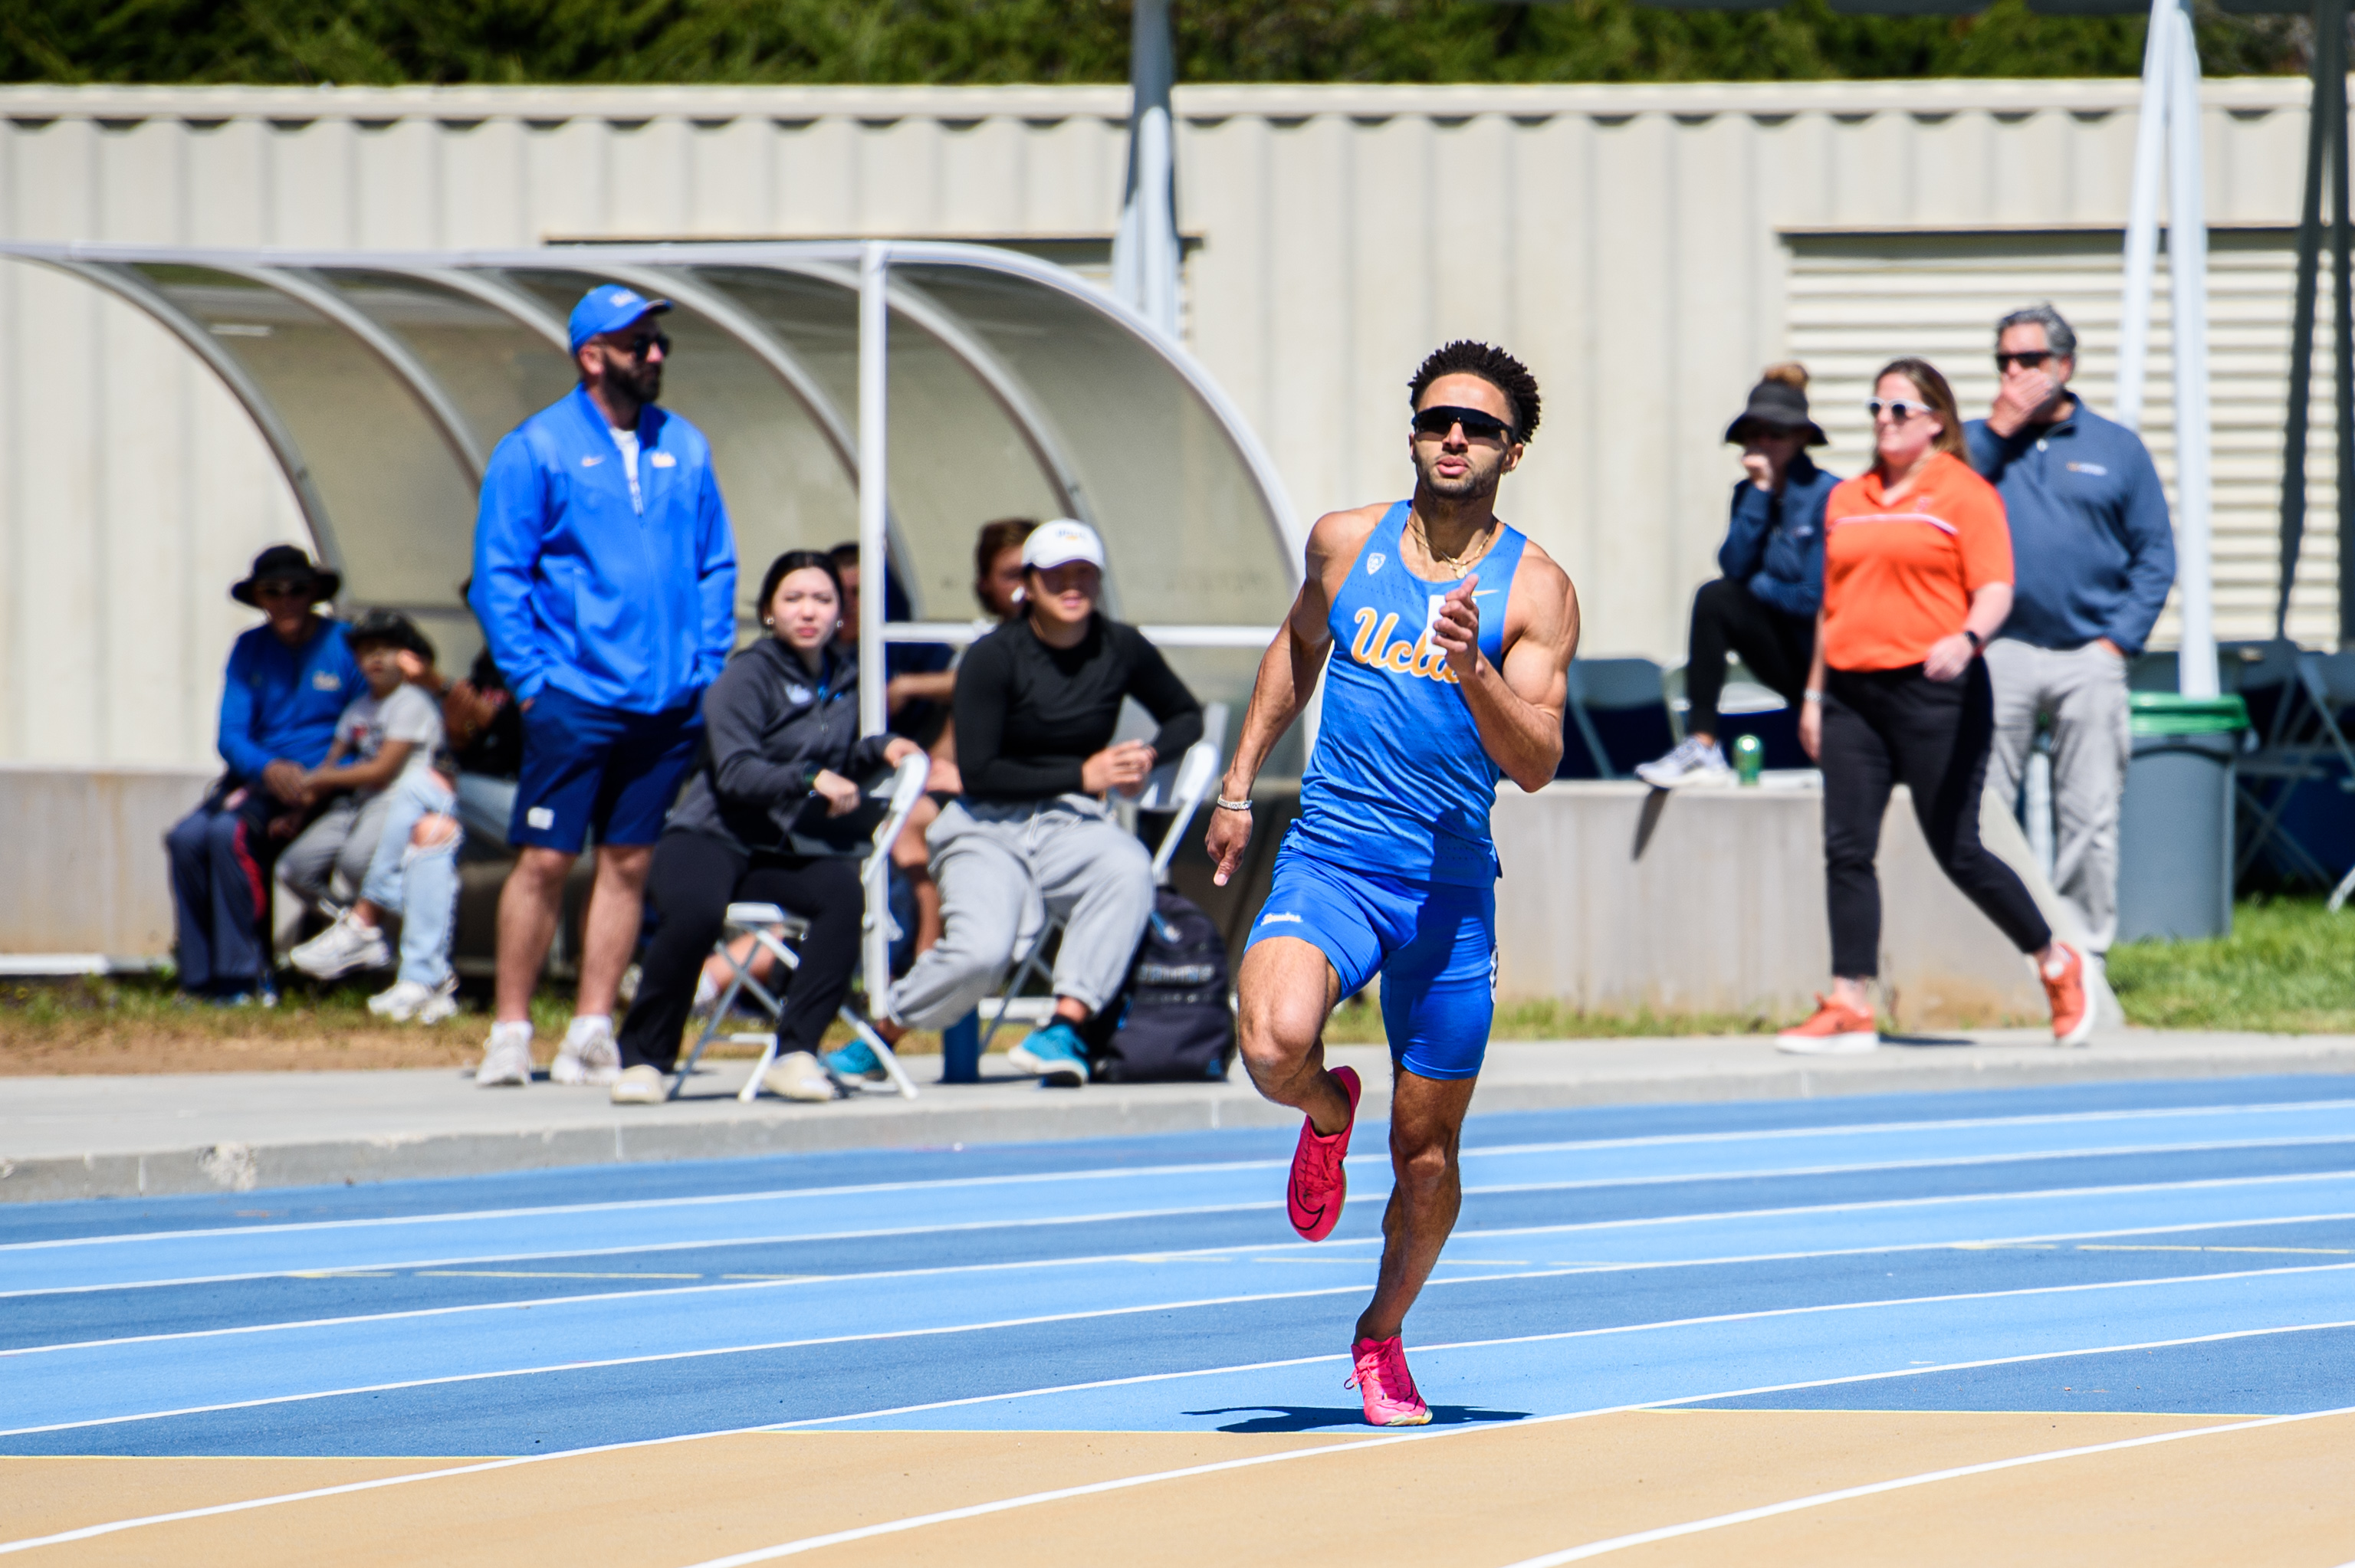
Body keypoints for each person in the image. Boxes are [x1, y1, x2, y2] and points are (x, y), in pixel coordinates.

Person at [1205, 340, 1580, 1427]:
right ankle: (1328, 1110)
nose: (1453, 437)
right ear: (1413, 431)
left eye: (1478, 426)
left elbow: (1540, 761)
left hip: (1450, 886)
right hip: (1333, 854)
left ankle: (1381, 1336)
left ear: (1514, 450)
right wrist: (1239, 785)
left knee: (1426, 1157)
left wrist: (1470, 670)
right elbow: (1297, 645)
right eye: (1436, 420)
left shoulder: (1537, 590)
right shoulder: (1341, 542)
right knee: (1272, 1041)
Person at [468, 284, 738, 1089]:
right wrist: (529, 682)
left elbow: (716, 562)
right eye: (637, 343)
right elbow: (499, 575)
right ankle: (511, 1031)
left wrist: (706, 666)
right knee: (546, 860)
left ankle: (591, 1028)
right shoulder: (536, 448)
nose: (655, 355)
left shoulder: (683, 446)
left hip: (666, 702)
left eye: (658, 342)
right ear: (593, 357)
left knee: (627, 863)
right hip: (572, 698)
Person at [1780, 357, 2092, 1056]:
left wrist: (1970, 637)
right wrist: (1813, 693)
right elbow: (1833, 606)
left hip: (1936, 688)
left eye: (1899, 410)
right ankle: (1851, 1000)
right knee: (1847, 849)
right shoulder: (1847, 498)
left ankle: (2054, 960)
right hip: (1853, 696)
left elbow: (1996, 589)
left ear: (1935, 422)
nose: (1884, 422)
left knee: (1958, 848)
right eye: (1876, 409)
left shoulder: (1965, 493)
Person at [870, 519, 1203, 1086]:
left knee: (1126, 868)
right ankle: (884, 1035)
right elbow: (978, 773)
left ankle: (1064, 1025)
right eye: (1056, 575)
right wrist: (1085, 770)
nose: (1072, 586)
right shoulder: (992, 656)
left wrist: (1147, 755)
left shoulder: (1121, 646)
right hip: (983, 825)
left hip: (1071, 824)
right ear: (1028, 583)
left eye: (1084, 574)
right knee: (982, 952)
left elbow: (1186, 716)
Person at [610, 552, 928, 1105]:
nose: (809, 612)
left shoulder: (846, 677)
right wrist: (810, 779)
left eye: (823, 600)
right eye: (794, 599)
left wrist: (880, 749)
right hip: (709, 836)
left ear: (840, 612)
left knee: (841, 896)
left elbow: (835, 762)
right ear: (769, 612)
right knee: (697, 913)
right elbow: (736, 771)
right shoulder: (746, 675)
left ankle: (796, 1051)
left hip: (780, 848)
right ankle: (645, 1060)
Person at [1967, 303, 2176, 958]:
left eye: (2028, 360)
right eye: (2003, 361)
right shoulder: (1974, 444)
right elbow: (1936, 506)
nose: (2014, 373)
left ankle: (2082, 955)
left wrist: (2117, 642)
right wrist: (1998, 431)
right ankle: (1995, 955)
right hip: (1999, 652)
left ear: (2064, 366)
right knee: (1984, 809)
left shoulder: (2116, 448)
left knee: (2088, 816)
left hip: (2090, 654)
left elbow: (2155, 555)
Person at [165, 546, 362, 1002]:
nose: (285, 600)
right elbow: (231, 735)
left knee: (228, 836)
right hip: (259, 783)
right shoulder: (248, 647)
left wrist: (320, 780)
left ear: (313, 593)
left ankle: (247, 976)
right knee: (187, 838)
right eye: (273, 591)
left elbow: (369, 732)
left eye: (296, 590)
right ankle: (199, 979)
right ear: (259, 598)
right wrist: (267, 768)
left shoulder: (345, 646)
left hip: (327, 788)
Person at [1638, 364, 1841, 786]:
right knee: (1714, 598)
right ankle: (1703, 744)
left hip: (1829, 664)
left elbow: (1813, 597)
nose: (1763, 443)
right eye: (1754, 434)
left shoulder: (1831, 496)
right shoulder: (1748, 493)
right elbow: (1732, 568)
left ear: (1802, 438)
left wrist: (1756, 584)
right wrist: (1761, 495)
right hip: (1778, 651)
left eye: (1776, 433)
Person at [274, 610, 445, 923]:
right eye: (367, 651)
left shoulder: (413, 701)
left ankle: (424, 927)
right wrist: (300, 810)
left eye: (387, 649)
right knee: (293, 869)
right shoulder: (359, 707)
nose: (376, 657)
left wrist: (322, 777)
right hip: (359, 803)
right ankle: (353, 928)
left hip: (399, 802)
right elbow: (332, 763)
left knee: (355, 866)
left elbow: (382, 770)